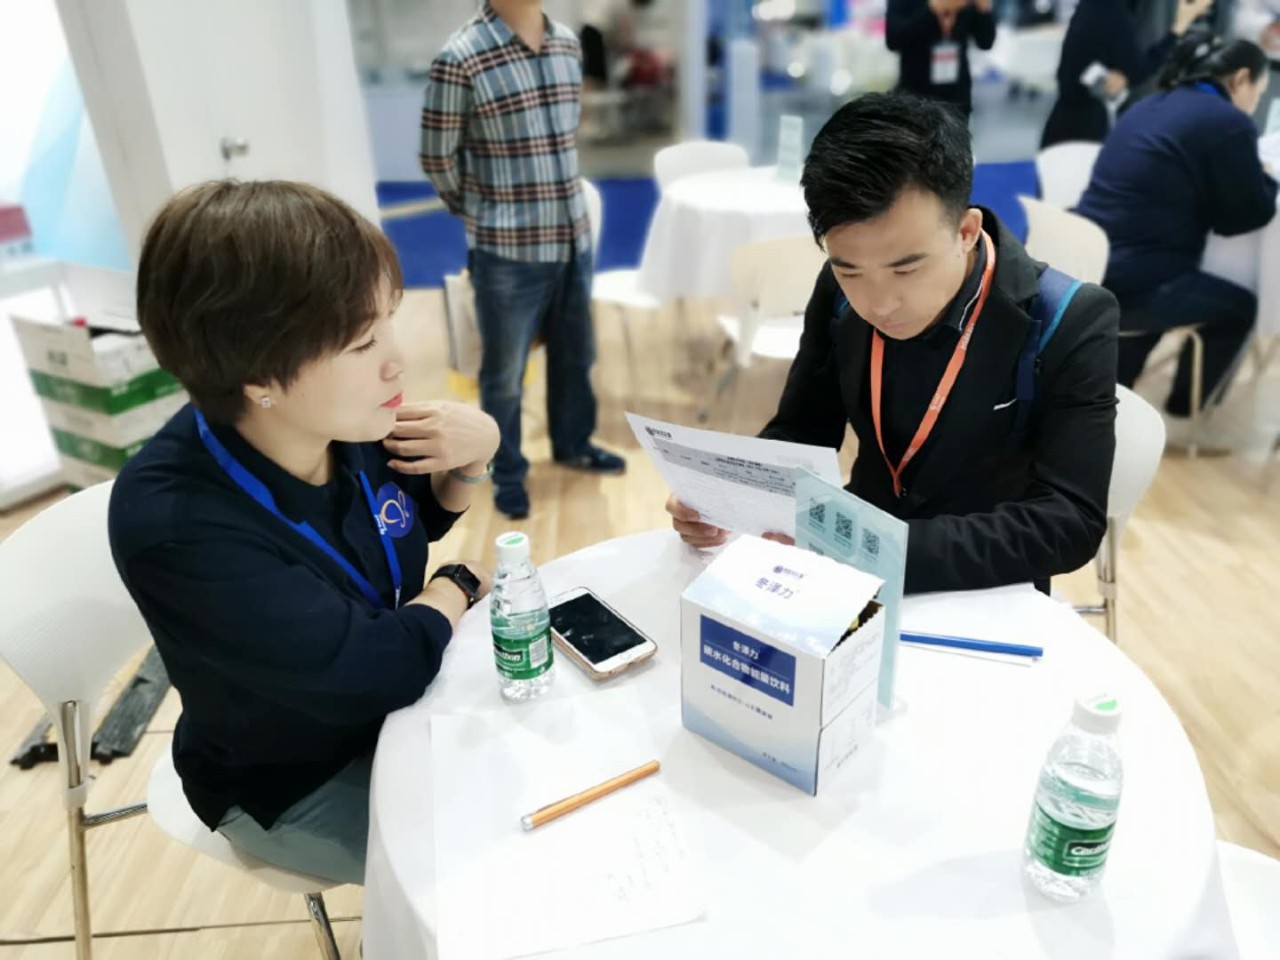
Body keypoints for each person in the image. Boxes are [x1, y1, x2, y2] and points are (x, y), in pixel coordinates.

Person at [109, 180, 501, 885]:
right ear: (258, 376)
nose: (397, 361)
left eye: (388, 322)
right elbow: (374, 672)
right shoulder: (176, 526)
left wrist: (474, 458)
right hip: (293, 777)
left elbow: (407, 521)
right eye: (361, 343)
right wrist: (456, 585)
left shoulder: (342, 421)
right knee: (494, 864)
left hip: (402, 704)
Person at [667, 93, 1120, 594]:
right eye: (850, 269)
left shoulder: (1068, 317)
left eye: (906, 269)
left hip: (987, 591)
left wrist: (876, 550)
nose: (879, 303)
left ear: (966, 231)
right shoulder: (838, 290)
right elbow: (802, 428)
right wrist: (733, 496)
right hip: (843, 571)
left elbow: (1068, 521)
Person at [421, 0, 625, 522]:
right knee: (505, 374)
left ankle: (573, 444)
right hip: (508, 248)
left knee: (576, 355)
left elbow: (564, 137)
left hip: (571, 236)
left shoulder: (566, 44)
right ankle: (506, 471)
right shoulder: (461, 57)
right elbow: (436, 155)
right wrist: (480, 212)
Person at [1076, 32, 1276, 447]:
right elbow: (1246, 216)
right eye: (1258, 92)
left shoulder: (1150, 100)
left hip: (1088, 264)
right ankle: (1184, 414)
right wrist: (1266, 179)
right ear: (1240, 79)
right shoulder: (1228, 122)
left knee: (1164, 288)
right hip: (1136, 282)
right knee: (1239, 308)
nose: (1255, 102)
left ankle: (1115, 401)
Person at [1041, 0, 1213, 148]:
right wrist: (1179, 26)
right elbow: (1139, 70)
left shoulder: (1094, 6)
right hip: (1084, 132)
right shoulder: (1111, 10)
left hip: (1064, 125)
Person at [886, 0, 997, 118]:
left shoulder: (964, 4)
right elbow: (893, 40)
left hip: (957, 96)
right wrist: (931, 10)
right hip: (914, 93)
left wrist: (984, 11)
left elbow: (986, 43)